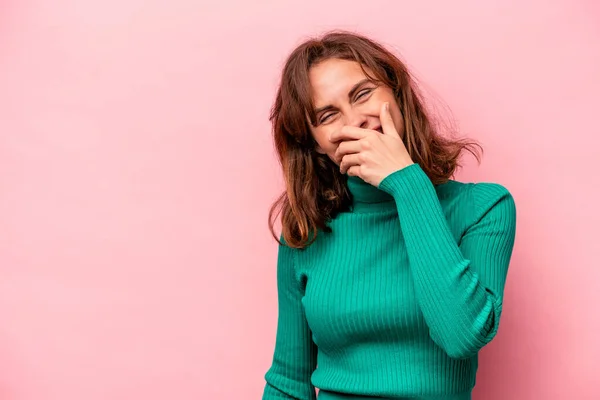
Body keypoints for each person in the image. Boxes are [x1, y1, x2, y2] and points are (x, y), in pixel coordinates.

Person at [261, 30, 517, 400]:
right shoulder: (305, 232)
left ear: (396, 91)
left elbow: (461, 336)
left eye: (362, 94)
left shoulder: (483, 210)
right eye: (328, 115)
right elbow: (288, 381)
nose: (355, 122)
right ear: (314, 143)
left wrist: (408, 184)